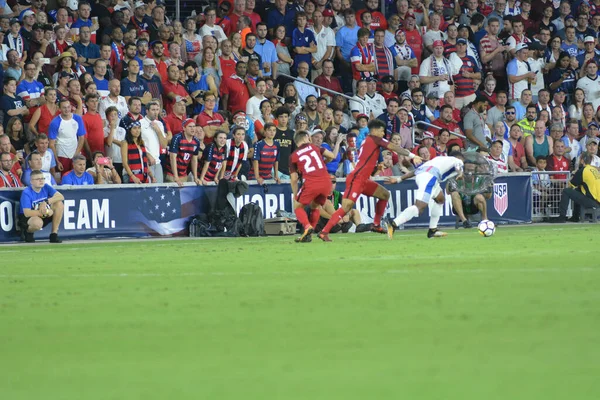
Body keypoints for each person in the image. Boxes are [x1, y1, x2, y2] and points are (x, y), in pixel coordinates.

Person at [318, 119, 422, 242]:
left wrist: (375, 168)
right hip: (356, 179)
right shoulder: (375, 138)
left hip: (363, 179)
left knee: (385, 195)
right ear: (375, 130)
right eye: (382, 131)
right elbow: (394, 147)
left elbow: (364, 160)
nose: (384, 134)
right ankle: (324, 232)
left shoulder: (368, 141)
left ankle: (376, 225)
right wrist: (412, 156)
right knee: (346, 207)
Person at [386, 151, 465, 238]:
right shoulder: (457, 160)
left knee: (440, 199)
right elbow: (458, 165)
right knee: (419, 207)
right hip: (430, 177)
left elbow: (416, 171)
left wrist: (398, 179)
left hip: (425, 176)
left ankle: (433, 230)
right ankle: (393, 224)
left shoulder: (438, 159)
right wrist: (460, 173)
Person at [289, 130, 336, 243]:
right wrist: (323, 162)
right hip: (326, 182)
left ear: (296, 142)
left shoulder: (294, 156)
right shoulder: (315, 147)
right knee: (315, 206)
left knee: (298, 206)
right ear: (306, 137)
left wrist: (295, 194)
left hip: (311, 182)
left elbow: (294, 178)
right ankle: (309, 234)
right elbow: (332, 156)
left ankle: (307, 227)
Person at [19, 169, 64, 243]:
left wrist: (46, 202)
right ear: (31, 182)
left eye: (42, 178)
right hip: (29, 217)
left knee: (59, 204)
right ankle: (28, 232)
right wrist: (45, 212)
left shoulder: (46, 187)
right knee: (37, 223)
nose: (41, 181)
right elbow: (27, 213)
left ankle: (54, 234)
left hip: (43, 213)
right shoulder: (26, 192)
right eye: (38, 179)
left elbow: (61, 196)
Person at [553, 153, 600, 223]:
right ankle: (575, 217)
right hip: (597, 200)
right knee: (578, 190)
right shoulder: (594, 170)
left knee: (566, 191)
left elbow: (570, 185)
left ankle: (562, 217)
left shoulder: (583, 171)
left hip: (594, 202)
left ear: (582, 161)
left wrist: (573, 174)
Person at [48, 98, 86, 174]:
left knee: (78, 177)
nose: (67, 109)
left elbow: (81, 138)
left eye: (68, 107)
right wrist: (57, 161)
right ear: (59, 108)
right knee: (63, 179)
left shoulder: (77, 119)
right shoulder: (54, 122)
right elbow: (51, 144)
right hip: (61, 155)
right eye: (64, 107)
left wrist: (77, 153)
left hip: (75, 153)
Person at [166, 118, 202, 186]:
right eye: (190, 126)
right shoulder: (177, 138)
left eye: (194, 126)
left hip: (184, 175)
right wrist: (176, 177)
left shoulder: (196, 141)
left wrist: (195, 177)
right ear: (184, 128)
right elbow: (172, 158)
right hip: (172, 174)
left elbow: (194, 160)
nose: (192, 129)